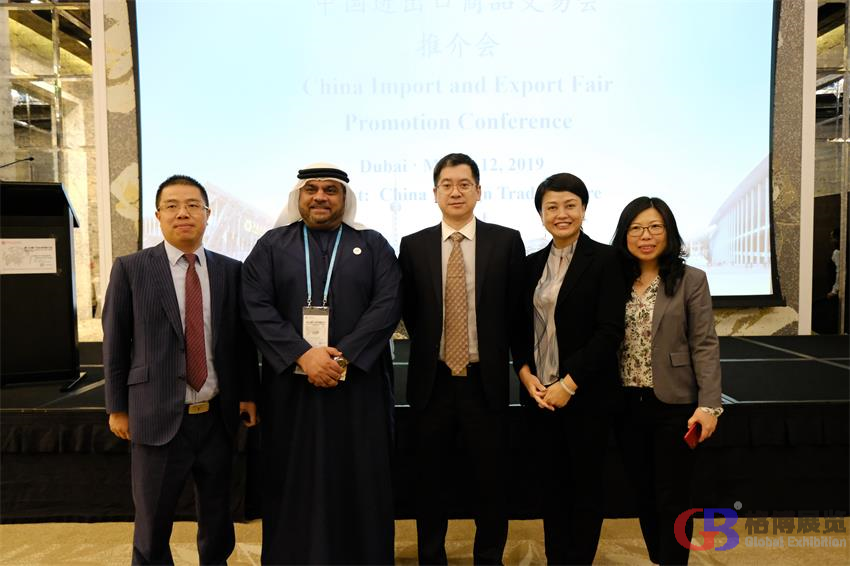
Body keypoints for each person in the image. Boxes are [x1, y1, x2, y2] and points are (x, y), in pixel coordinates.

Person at [241, 163, 401, 565]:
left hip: (358, 388)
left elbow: (388, 305)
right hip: (291, 389)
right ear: (298, 196)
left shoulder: (373, 244)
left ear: (344, 198)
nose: (320, 197)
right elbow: (254, 306)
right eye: (311, 189)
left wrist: (342, 358)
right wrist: (303, 354)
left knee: (360, 477)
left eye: (330, 190)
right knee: (293, 476)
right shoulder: (271, 245)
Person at [103, 174, 259, 565]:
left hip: (216, 417)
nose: (183, 213)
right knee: (153, 521)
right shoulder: (131, 268)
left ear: (208, 214)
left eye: (192, 205)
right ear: (158, 216)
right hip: (155, 414)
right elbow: (115, 343)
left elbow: (241, 342)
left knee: (218, 515)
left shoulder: (230, 270)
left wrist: (248, 395)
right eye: (171, 206)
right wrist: (116, 407)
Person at [399, 152, 525, 565]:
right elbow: (410, 310)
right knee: (429, 482)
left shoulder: (506, 241)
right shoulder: (413, 245)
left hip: (484, 382)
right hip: (431, 382)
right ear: (435, 192)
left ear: (478, 191)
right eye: (447, 185)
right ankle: (430, 557)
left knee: (491, 483)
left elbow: (516, 312)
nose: (455, 192)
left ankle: (488, 558)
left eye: (464, 184)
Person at [513, 172, 626, 565]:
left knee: (585, 488)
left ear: (584, 208)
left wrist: (569, 383)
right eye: (551, 207)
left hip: (586, 396)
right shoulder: (530, 265)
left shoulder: (607, 260)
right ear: (541, 214)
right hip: (540, 396)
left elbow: (609, 331)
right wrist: (525, 374)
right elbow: (518, 328)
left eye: (570, 205)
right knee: (552, 487)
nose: (561, 214)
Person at [610, 196, 723, 566]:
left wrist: (710, 405)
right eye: (636, 228)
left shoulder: (691, 279)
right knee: (642, 492)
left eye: (655, 227)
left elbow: (704, 344)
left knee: (673, 495)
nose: (646, 236)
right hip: (625, 402)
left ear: (669, 232)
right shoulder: (613, 279)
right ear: (625, 234)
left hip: (674, 403)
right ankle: (661, 558)